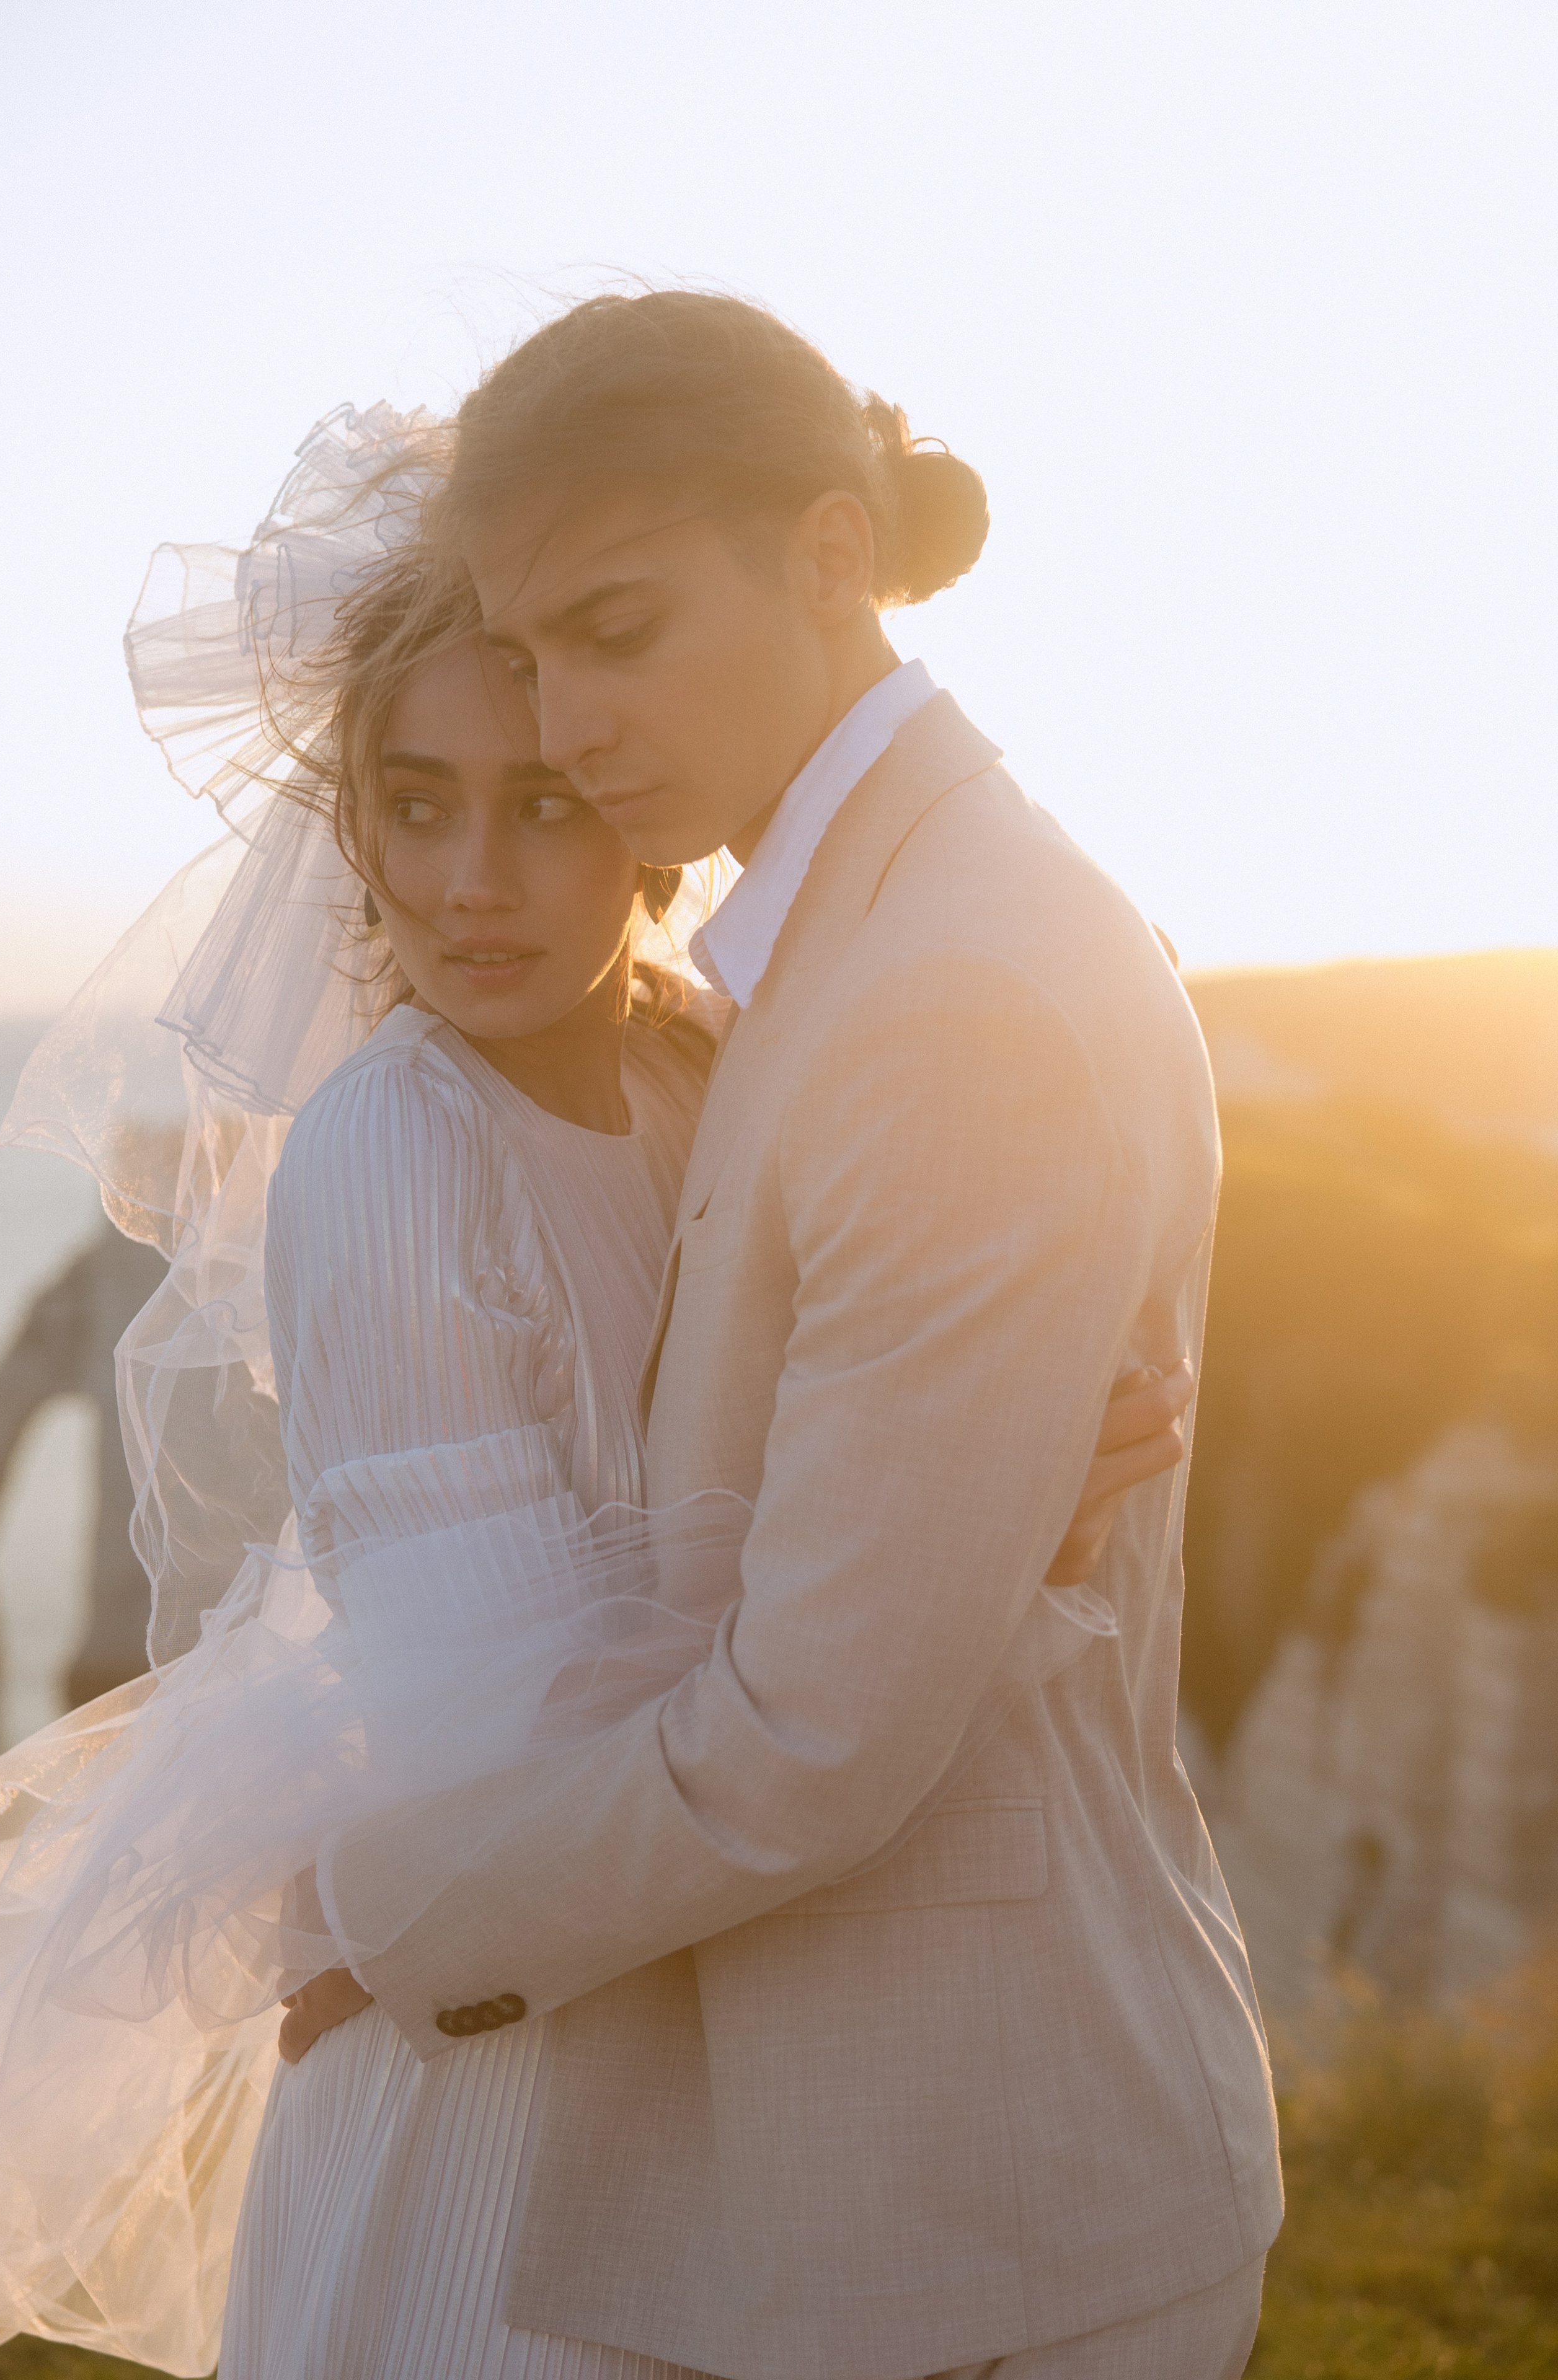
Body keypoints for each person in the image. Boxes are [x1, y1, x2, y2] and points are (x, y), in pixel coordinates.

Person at [0, 401, 1187, 2378]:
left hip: (684, 2038)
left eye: (541, 799)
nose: (470, 880)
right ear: (342, 818)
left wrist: (946, 1470)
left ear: (636, 789)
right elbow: (514, 1745)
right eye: (412, 797)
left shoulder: (724, 1067)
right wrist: (971, 1500)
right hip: (494, 2094)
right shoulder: (393, 1155)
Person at [284, 293, 1285, 2380]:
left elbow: (812, 1741)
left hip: (973, 2208)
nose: (561, 725)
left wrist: (391, 1930)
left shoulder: (945, 994)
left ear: (832, 558)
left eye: (618, 632)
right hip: (885, 2196)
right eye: (532, 645)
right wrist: (949, 1507)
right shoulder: (840, 946)